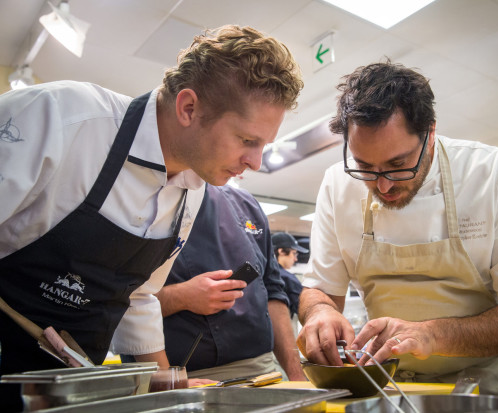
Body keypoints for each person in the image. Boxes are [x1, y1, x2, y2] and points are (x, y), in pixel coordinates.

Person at [0, 24, 302, 410]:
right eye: (247, 140)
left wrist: (167, 388)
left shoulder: (190, 192)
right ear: (188, 108)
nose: (256, 162)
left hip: (63, 388)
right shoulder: (60, 119)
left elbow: (139, 295)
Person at [296, 61, 498, 396]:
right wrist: (319, 311)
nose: (383, 185)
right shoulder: (336, 184)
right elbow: (320, 288)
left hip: (484, 387)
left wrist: (432, 334)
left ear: (430, 133)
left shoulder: (491, 174)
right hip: (387, 386)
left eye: (398, 165)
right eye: (365, 167)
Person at [123, 184, 305, 382]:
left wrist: (296, 376)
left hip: (263, 371)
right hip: (180, 377)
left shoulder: (246, 204)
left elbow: (273, 291)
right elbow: (120, 302)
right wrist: (180, 296)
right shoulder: (136, 202)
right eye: (245, 149)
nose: (254, 163)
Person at [272, 232, 308, 319]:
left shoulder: (261, 274)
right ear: (281, 252)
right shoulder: (288, 278)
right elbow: (304, 307)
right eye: (294, 253)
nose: (295, 259)